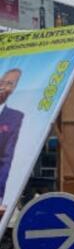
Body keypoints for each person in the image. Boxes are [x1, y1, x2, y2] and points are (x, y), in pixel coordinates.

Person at [0, 69, 24, 204]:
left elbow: (7, 158)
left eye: (9, 83)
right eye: (2, 82)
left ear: (14, 89)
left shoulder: (15, 117)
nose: (3, 86)